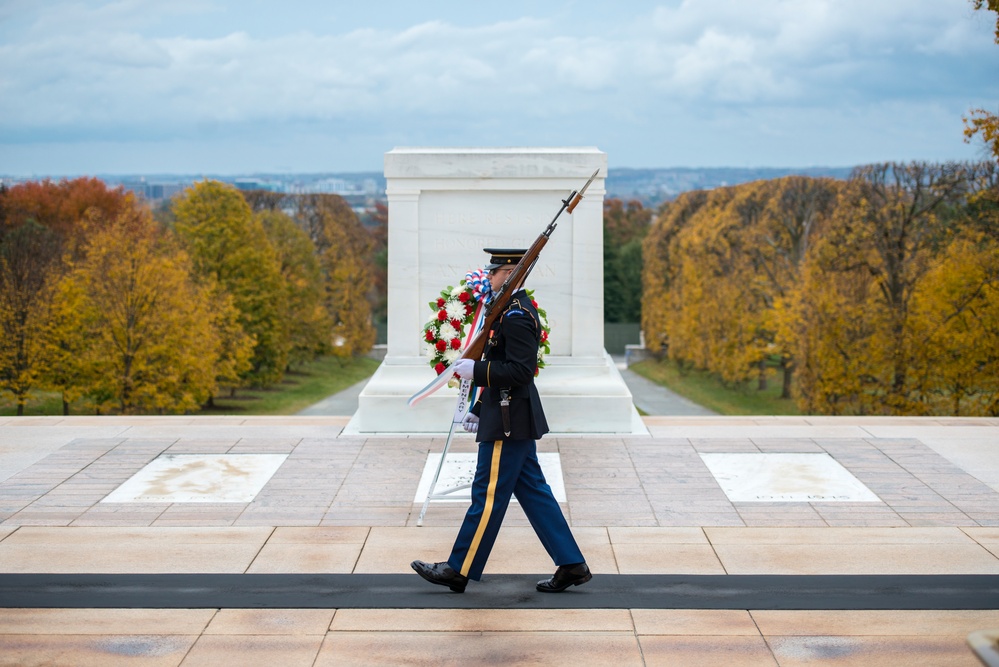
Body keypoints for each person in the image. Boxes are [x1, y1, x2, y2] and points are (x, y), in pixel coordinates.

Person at [411, 248, 591, 594]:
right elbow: (502, 361)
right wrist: (479, 408)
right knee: (535, 492)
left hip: (510, 420)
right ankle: (572, 564)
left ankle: (458, 568)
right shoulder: (507, 311)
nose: (488, 278)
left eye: (493, 273)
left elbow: (522, 371)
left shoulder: (517, 316)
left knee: (487, 495)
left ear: (508, 275)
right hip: (508, 413)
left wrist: (475, 370)